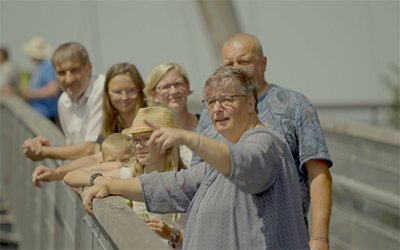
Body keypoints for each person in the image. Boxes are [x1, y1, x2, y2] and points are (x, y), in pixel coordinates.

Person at [82, 66, 309, 249]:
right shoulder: (229, 150)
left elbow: (247, 165)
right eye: (210, 102)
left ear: (251, 103)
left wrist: (189, 139)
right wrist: (110, 185)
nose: (217, 109)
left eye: (227, 99)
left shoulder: (265, 142)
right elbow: (177, 184)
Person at [193, 33, 333, 249]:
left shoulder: (295, 105)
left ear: (263, 63)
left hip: (282, 235)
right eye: (229, 63)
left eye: (244, 61)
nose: (236, 67)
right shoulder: (209, 114)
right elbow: (197, 177)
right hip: (223, 237)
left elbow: (318, 173)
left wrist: (319, 238)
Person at [65, 106, 186, 248]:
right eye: (135, 140)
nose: (139, 146)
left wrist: (171, 234)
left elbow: (194, 238)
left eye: (146, 138)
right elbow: (70, 176)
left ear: (168, 143)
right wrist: (99, 180)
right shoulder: (130, 174)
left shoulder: (185, 181)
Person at [31, 62, 147, 187]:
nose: (124, 97)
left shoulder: (149, 121)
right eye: (117, 92)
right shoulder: (110, 124)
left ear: (140, 91)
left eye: (131, 90)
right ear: (107, 94)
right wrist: (56, 173)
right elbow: (96, 156)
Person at [144, 62, 199, 166]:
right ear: (153, 94)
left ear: (187, 86)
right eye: (166, 86)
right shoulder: (151, 137)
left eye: (178, 84)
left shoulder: (209, 125)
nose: (173, 91)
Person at [19, 36, 60, 122]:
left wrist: (30, 94)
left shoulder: (47, 65)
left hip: (47, 115)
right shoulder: (40, 67)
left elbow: (53, 89)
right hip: (40, 114)